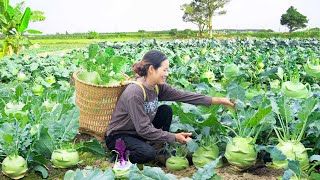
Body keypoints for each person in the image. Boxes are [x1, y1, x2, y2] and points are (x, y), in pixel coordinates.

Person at [105, 50, 234, 164]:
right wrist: (174, 137)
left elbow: (184, 96)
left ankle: (159, 149)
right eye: (164, 70)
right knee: (147, 154)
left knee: (165, 110)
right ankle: (119, 156)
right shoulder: (135, 93)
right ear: (151, 69)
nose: (167, 73)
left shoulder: (157, 86)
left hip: (137, 132)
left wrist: (220, 100)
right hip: (119, 136)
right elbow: (143, 129)